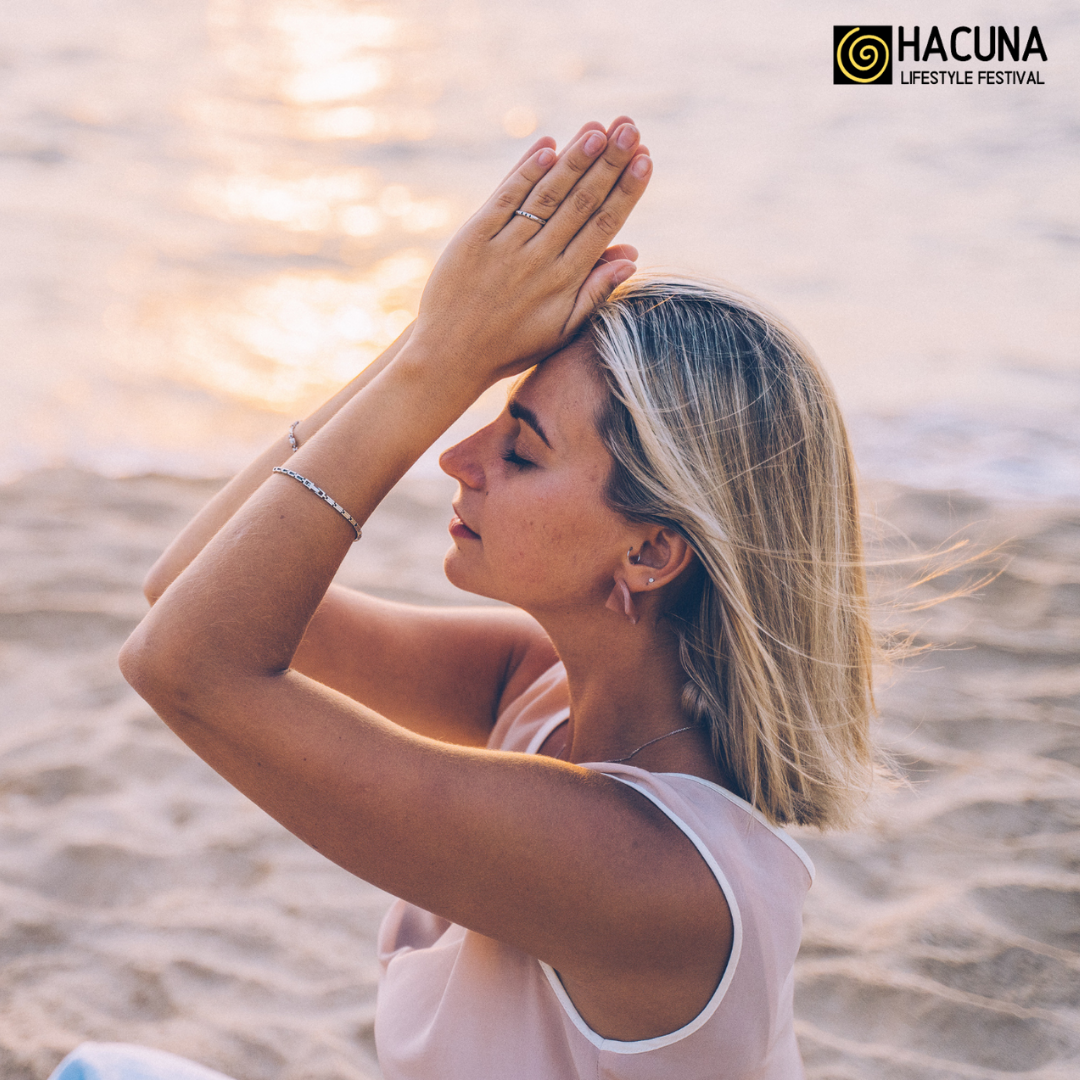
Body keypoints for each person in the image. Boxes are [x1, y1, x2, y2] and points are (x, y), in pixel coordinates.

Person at [50, 115, 874, 1080]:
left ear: (652, 551)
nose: (458, 455)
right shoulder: (536, 694)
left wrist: (434, 365)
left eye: (520, 450)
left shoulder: (649, 873)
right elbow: (189, 589)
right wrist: (439, 341)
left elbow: (184, 664)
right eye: (483, 414)